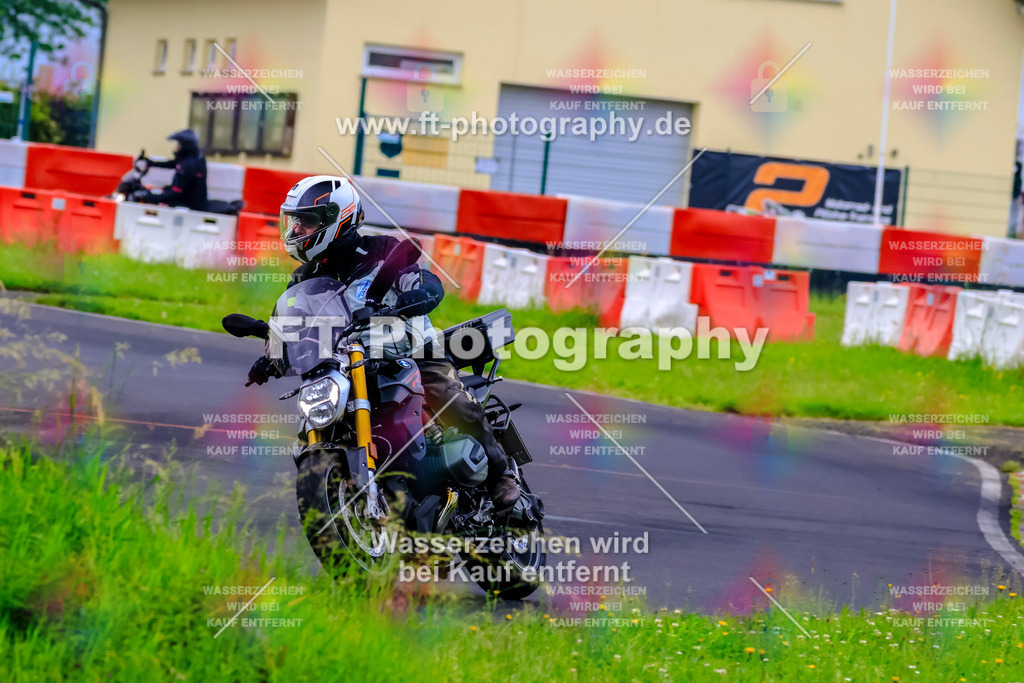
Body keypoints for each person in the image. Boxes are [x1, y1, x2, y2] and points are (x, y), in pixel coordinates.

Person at [247, 175, 522, 509]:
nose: (296, 230)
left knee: (449, 394)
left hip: (410, 350)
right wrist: (273, 355)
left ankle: (500, 472)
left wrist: (421, 292)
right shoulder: (303, 278)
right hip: (347, 364)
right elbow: (293, 325)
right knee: (310, 429)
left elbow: (418, 277)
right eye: (295, 221)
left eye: (306, 221)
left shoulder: (381, 251)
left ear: (337, 219)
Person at [138, 129, 208, 211]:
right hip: (188, 197)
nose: (176, 148)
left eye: (178, 144)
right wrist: (152, 163)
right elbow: (173, 164)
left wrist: (151, 197)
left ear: (186, 146)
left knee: (156, 204)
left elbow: (176, 190)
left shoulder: (189, 164)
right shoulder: (191, 158)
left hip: (189, 204)